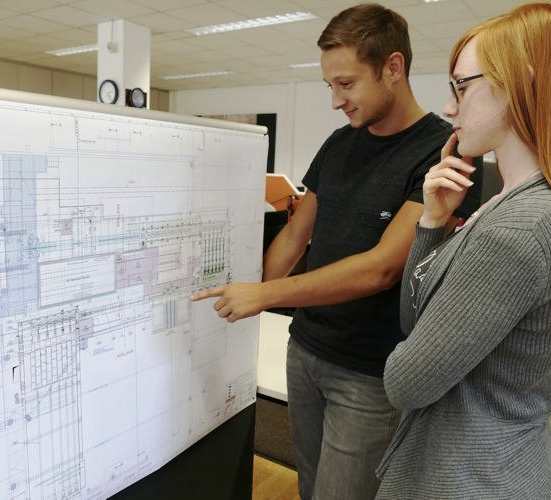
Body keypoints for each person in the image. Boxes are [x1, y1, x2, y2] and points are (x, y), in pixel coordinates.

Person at [192, 4, 481, 499]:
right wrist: (245, 296)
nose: (335, 101)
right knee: (310, 487)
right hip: (305, 350)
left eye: (346, 84)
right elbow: (296, 234)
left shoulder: (442, 152)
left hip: (370, 372)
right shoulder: (338, 143)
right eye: (329, 85)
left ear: (393, 67)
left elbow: (382, 268)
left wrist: (264, 296)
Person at [375, 3, 551, 499]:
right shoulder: (526, 203)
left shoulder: (521, 227)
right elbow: (415, 320)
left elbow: (405, 383)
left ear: (522, 84)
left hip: (474, 477)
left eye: (462, 87)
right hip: (499, 463)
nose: (449, 107)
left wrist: (408, 355)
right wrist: (433, 222)